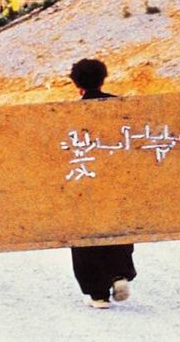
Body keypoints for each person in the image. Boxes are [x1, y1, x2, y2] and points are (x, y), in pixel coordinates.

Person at [68, 58, 137, 310]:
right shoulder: (123, 107)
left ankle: (98, 295)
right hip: (116, 182)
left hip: (83, 181)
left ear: (77, 84)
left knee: (85, 235)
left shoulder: (67, 114)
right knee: (117, 226)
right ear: (103, 78)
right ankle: (119, 273)